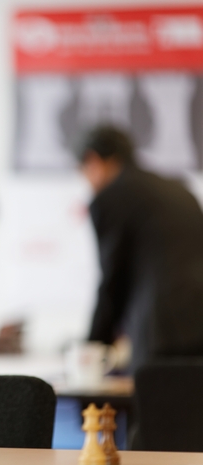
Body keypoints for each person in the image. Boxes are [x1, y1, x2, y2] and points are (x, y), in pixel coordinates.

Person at [78, 125, 203, 372]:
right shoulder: (179, 188)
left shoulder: (111, 197)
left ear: (93, 160)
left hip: (161, 333)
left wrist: (93, 347)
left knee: (152, 397)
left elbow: (112, 280)